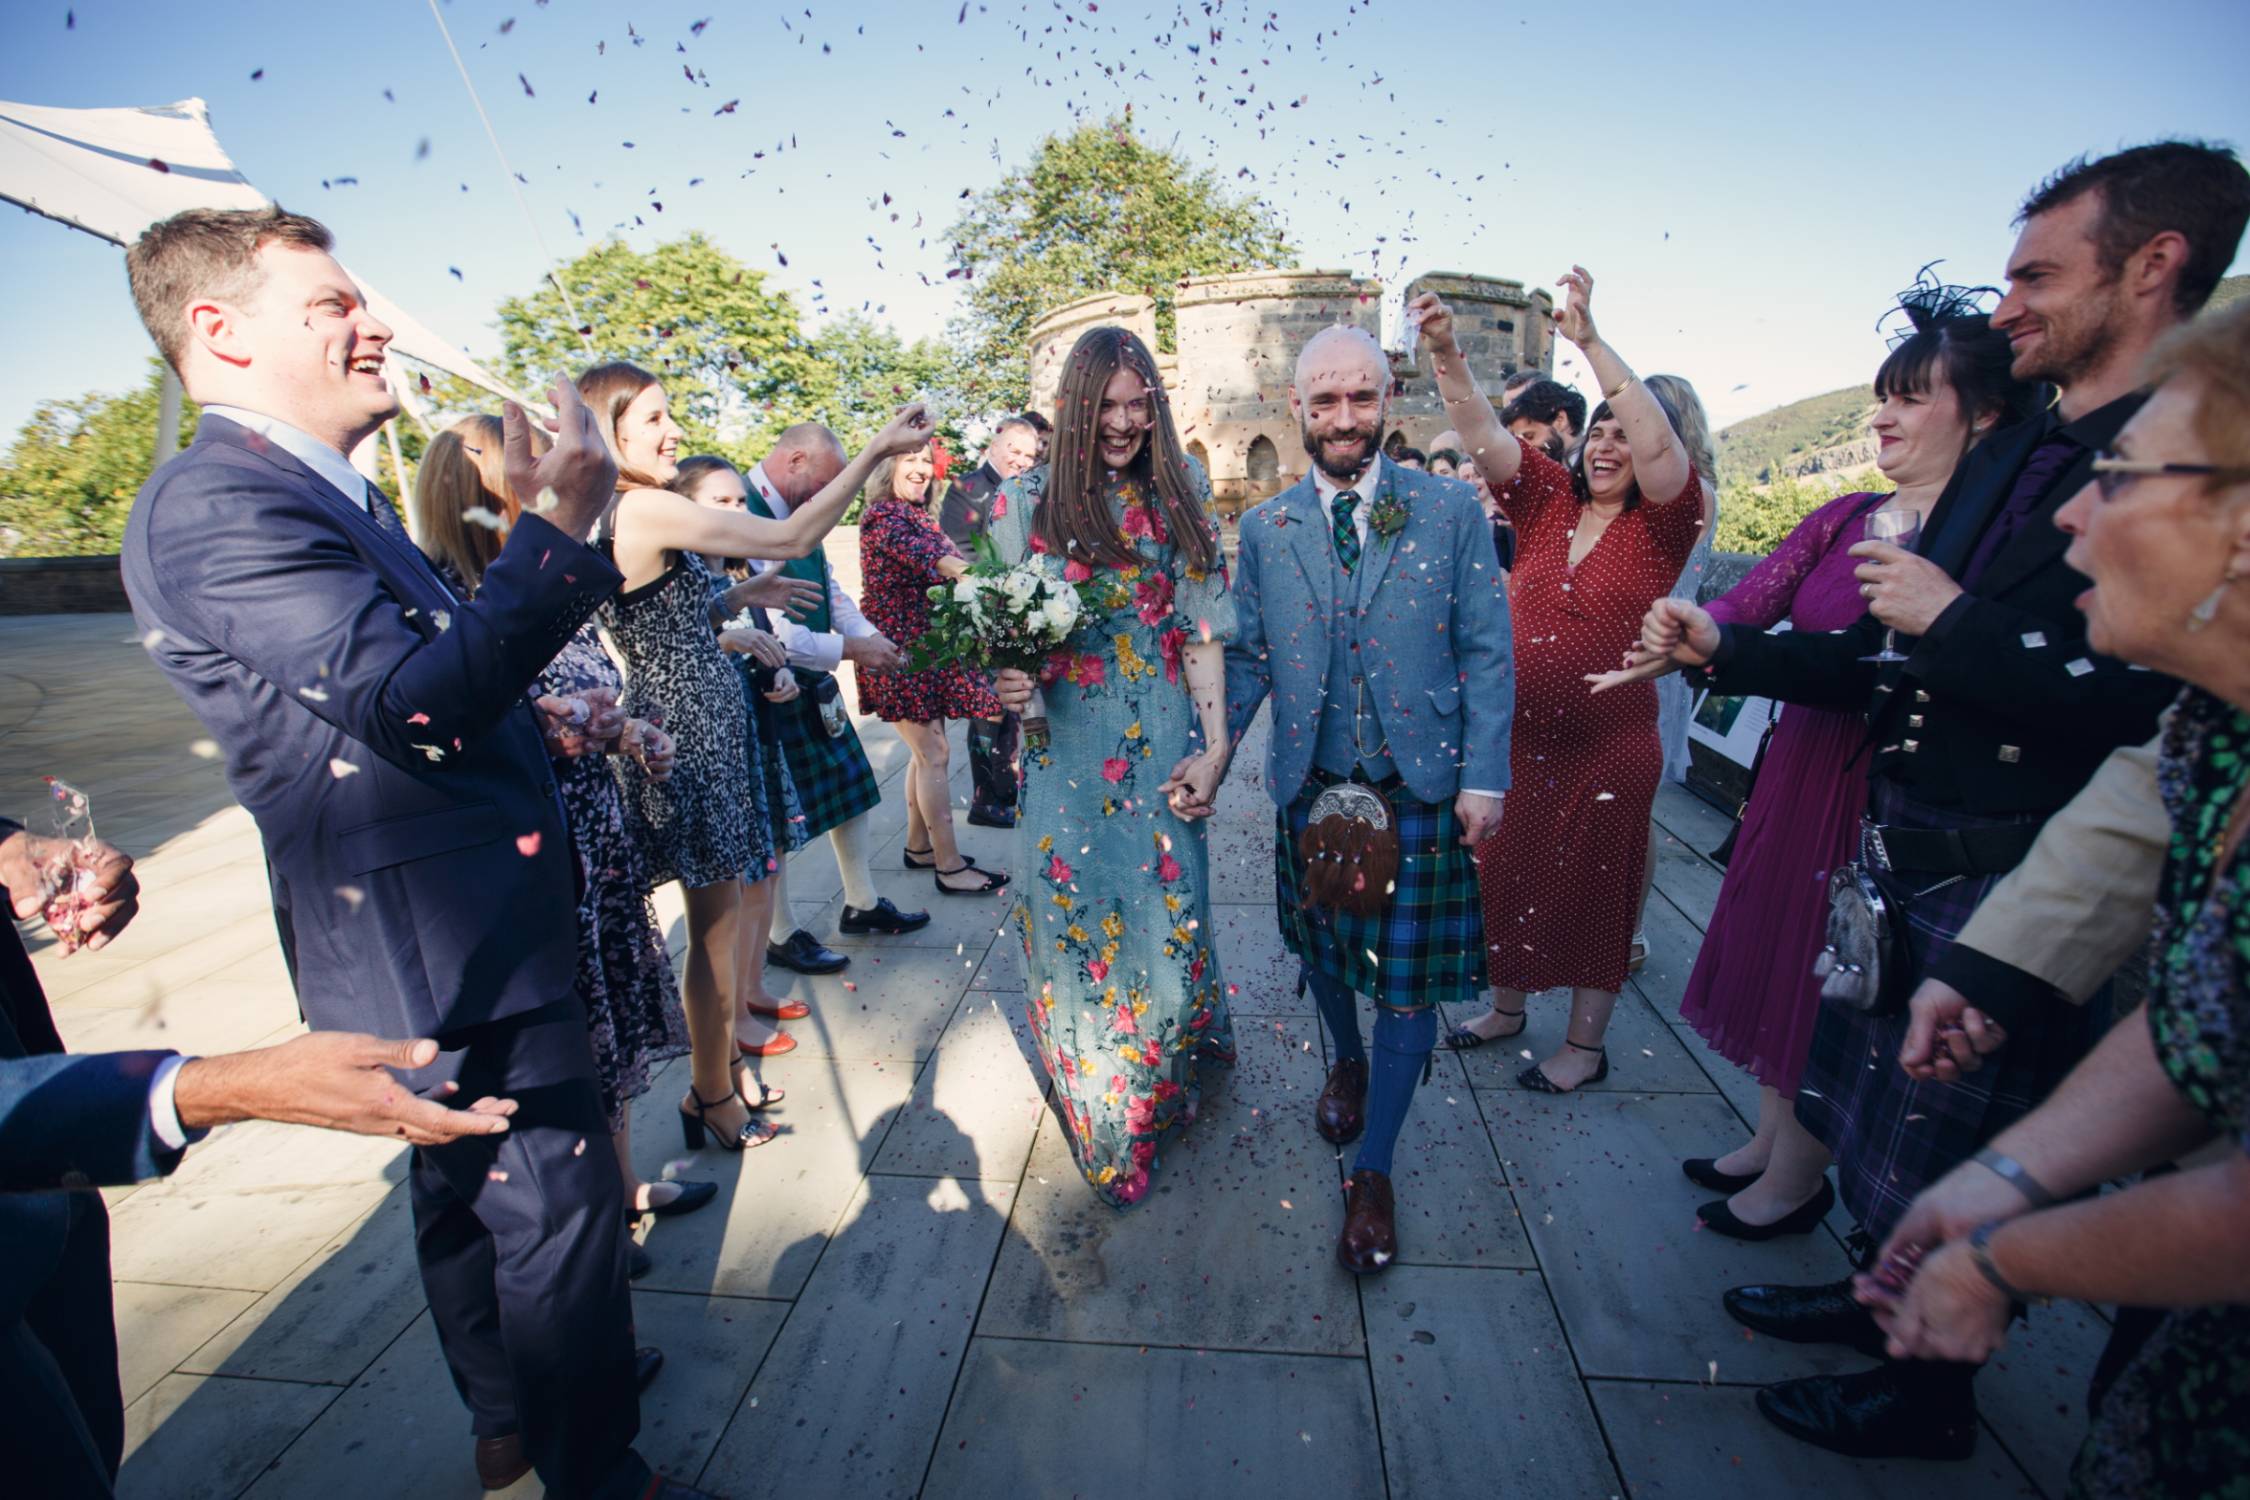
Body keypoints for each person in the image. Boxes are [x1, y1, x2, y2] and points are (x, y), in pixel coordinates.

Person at [1639, 139, 2247, 1459]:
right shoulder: (2020, 442)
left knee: (1934, 1133)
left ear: (2152, 268)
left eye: (2036, 271)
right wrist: (1729, 649)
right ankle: (1885, 1310)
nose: (2006, 299)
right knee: (1889, 1137)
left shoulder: (2106, 469)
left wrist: (2018, 1248)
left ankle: (1926, 1391)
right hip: (1925, 852)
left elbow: (2109, 700)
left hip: (2000, 847)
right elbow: (1905, 666)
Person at [115, 206, 712, 1497]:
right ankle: (591, 1467)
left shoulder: (319, 492)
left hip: (458, 915)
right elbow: (413, 706)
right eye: (332, 305)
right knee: (555, 1208)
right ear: (217, 332)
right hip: (443, 934)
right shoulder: (220, 500)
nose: (374, 321)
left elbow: (408, 691)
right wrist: (562, 532)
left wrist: (536, 716)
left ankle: (516, 1417)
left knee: (471, 1194)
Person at [1856, 295, 2250, 1496]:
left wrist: (2009, 1260)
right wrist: (2002, 1181)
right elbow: (2195, 1031)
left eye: (2124, 476)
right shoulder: (2210, 737)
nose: (2076, 507)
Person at [1590, 286, 2038, 1237]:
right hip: (1797, 763)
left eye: (1912, 398)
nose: (1882, 416)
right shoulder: (1843, 515)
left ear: (1988, 415)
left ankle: (1798, 1178)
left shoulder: (2002, 539)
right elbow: (1751, 599)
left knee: (1835, 974)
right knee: (1781, 946)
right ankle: (1770, 1139)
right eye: (1885, 396)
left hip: (1872, 788)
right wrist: (1690, 631)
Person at [0, 819, 539, 1498]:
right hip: (35, 1151)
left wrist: (8, 849)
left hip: (45, 1172)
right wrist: (217, 1087)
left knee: (81, 1410)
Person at [1202, 319, 1512, 1272]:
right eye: (1325, 400)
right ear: (1296, 410)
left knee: (1408, 985)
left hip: (1418, 782)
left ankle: (1373, 1168)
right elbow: (1247, 654)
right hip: (1312, 781)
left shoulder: (1450, 511)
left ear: (1390, 402)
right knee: (1328, 954)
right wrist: (1211, 753)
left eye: (1361, 397)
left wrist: (1485, 774)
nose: (1344, 417)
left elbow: (1485, 648)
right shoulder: (1263, 527)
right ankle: (1344, 1056)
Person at [577, 362, 931, 1166]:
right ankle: (711, 1094)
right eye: (656, 419)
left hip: (693, 712)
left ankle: (724, 1072)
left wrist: (731, 608)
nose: (674, 432)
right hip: (695, 732)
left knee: (725, 918)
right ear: (614, 430)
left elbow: (659, 616)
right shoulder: (644, 504)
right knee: (714, 930)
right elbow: (793, 535)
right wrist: (876, 450)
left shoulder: (613, 510)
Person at [412, 415, 708, 1231]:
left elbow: (585, 699)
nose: (546, 475)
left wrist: (626, 729)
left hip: (594, 832)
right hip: (537, 856)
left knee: (606, 1020)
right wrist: (568, 720)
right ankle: (591, 1210)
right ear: (476, 493)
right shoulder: (455, 604)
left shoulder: (546, 588)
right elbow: (468, 722)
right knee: (575, 1030)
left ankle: (620, 1186)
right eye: (523, 466)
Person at [1436, 270, 1711, 1093]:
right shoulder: (1548, 499)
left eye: (1624, 435)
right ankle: (1508, 1008)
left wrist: (1590, 343)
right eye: (1598, 431)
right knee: (1505, 873)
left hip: (1611, 748)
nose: (1607, 446)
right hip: (1518, 741)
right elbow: (1480, 431)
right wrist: (1448, 355)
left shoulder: (1669, 519)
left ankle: (1585, 1051)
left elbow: (1660, 452)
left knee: (1598, 893)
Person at [984, 325, 1237, 1206]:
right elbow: (999, 632)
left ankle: (1167, 1068)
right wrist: (1007, 677)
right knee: (1074, 922)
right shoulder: (1018, 505)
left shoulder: (1180, 488)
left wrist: (1214, 748)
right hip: (1063, 750)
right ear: (1074, 407)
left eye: (1141, 405)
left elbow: (1202, 628)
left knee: (1165, 909)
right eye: (1108, 407)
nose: (1125, 424)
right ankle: (1107, 1117)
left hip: (1162, 738)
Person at [728, 427, 932, 975]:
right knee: (780, 817)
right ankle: (780, 932)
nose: (830, 494)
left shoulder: (801, 509)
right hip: (765, 681)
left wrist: (872, 637)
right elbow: (774, 629)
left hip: (811, 680)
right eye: (825, 480)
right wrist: (853, 649)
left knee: (851, 788)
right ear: (795, 460)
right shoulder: (735, 506)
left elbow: (829, 588)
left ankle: (861, 903)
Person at [856, 440, 1011, 896]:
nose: (922, 469)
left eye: (927, 461)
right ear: (887, 468)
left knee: (925, 752)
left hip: (924, 651)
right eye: (910, 460)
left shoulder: (917, 515)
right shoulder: (883, 517)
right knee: (935, 754)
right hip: (898, 653)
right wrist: (997, 585)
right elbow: (938, 562)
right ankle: (949, 866)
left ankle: (919, 847)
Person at [1633, 373, 1723, 975]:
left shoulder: (1686, 494)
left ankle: (1630, 929)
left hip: (1652, 656)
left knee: (1634, 811)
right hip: (1636, 654)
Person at [941, 416, 1043, 829]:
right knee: (988, 708)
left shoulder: (1034, 490)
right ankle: (988, 798)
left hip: (1025, 609)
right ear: (993, 448)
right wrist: (1005, 592)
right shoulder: (968, 489)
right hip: (985, 610)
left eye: (1029, 455)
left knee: (1016, 707)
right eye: (1014, 451)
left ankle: (1012, 787)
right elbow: (961, 551)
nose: (1021, 461)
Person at [1500, 377, 1587, 463]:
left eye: (1530, 436)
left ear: (1560, 420)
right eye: (1519, 442)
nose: (1524, 449)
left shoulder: (1591, 468)